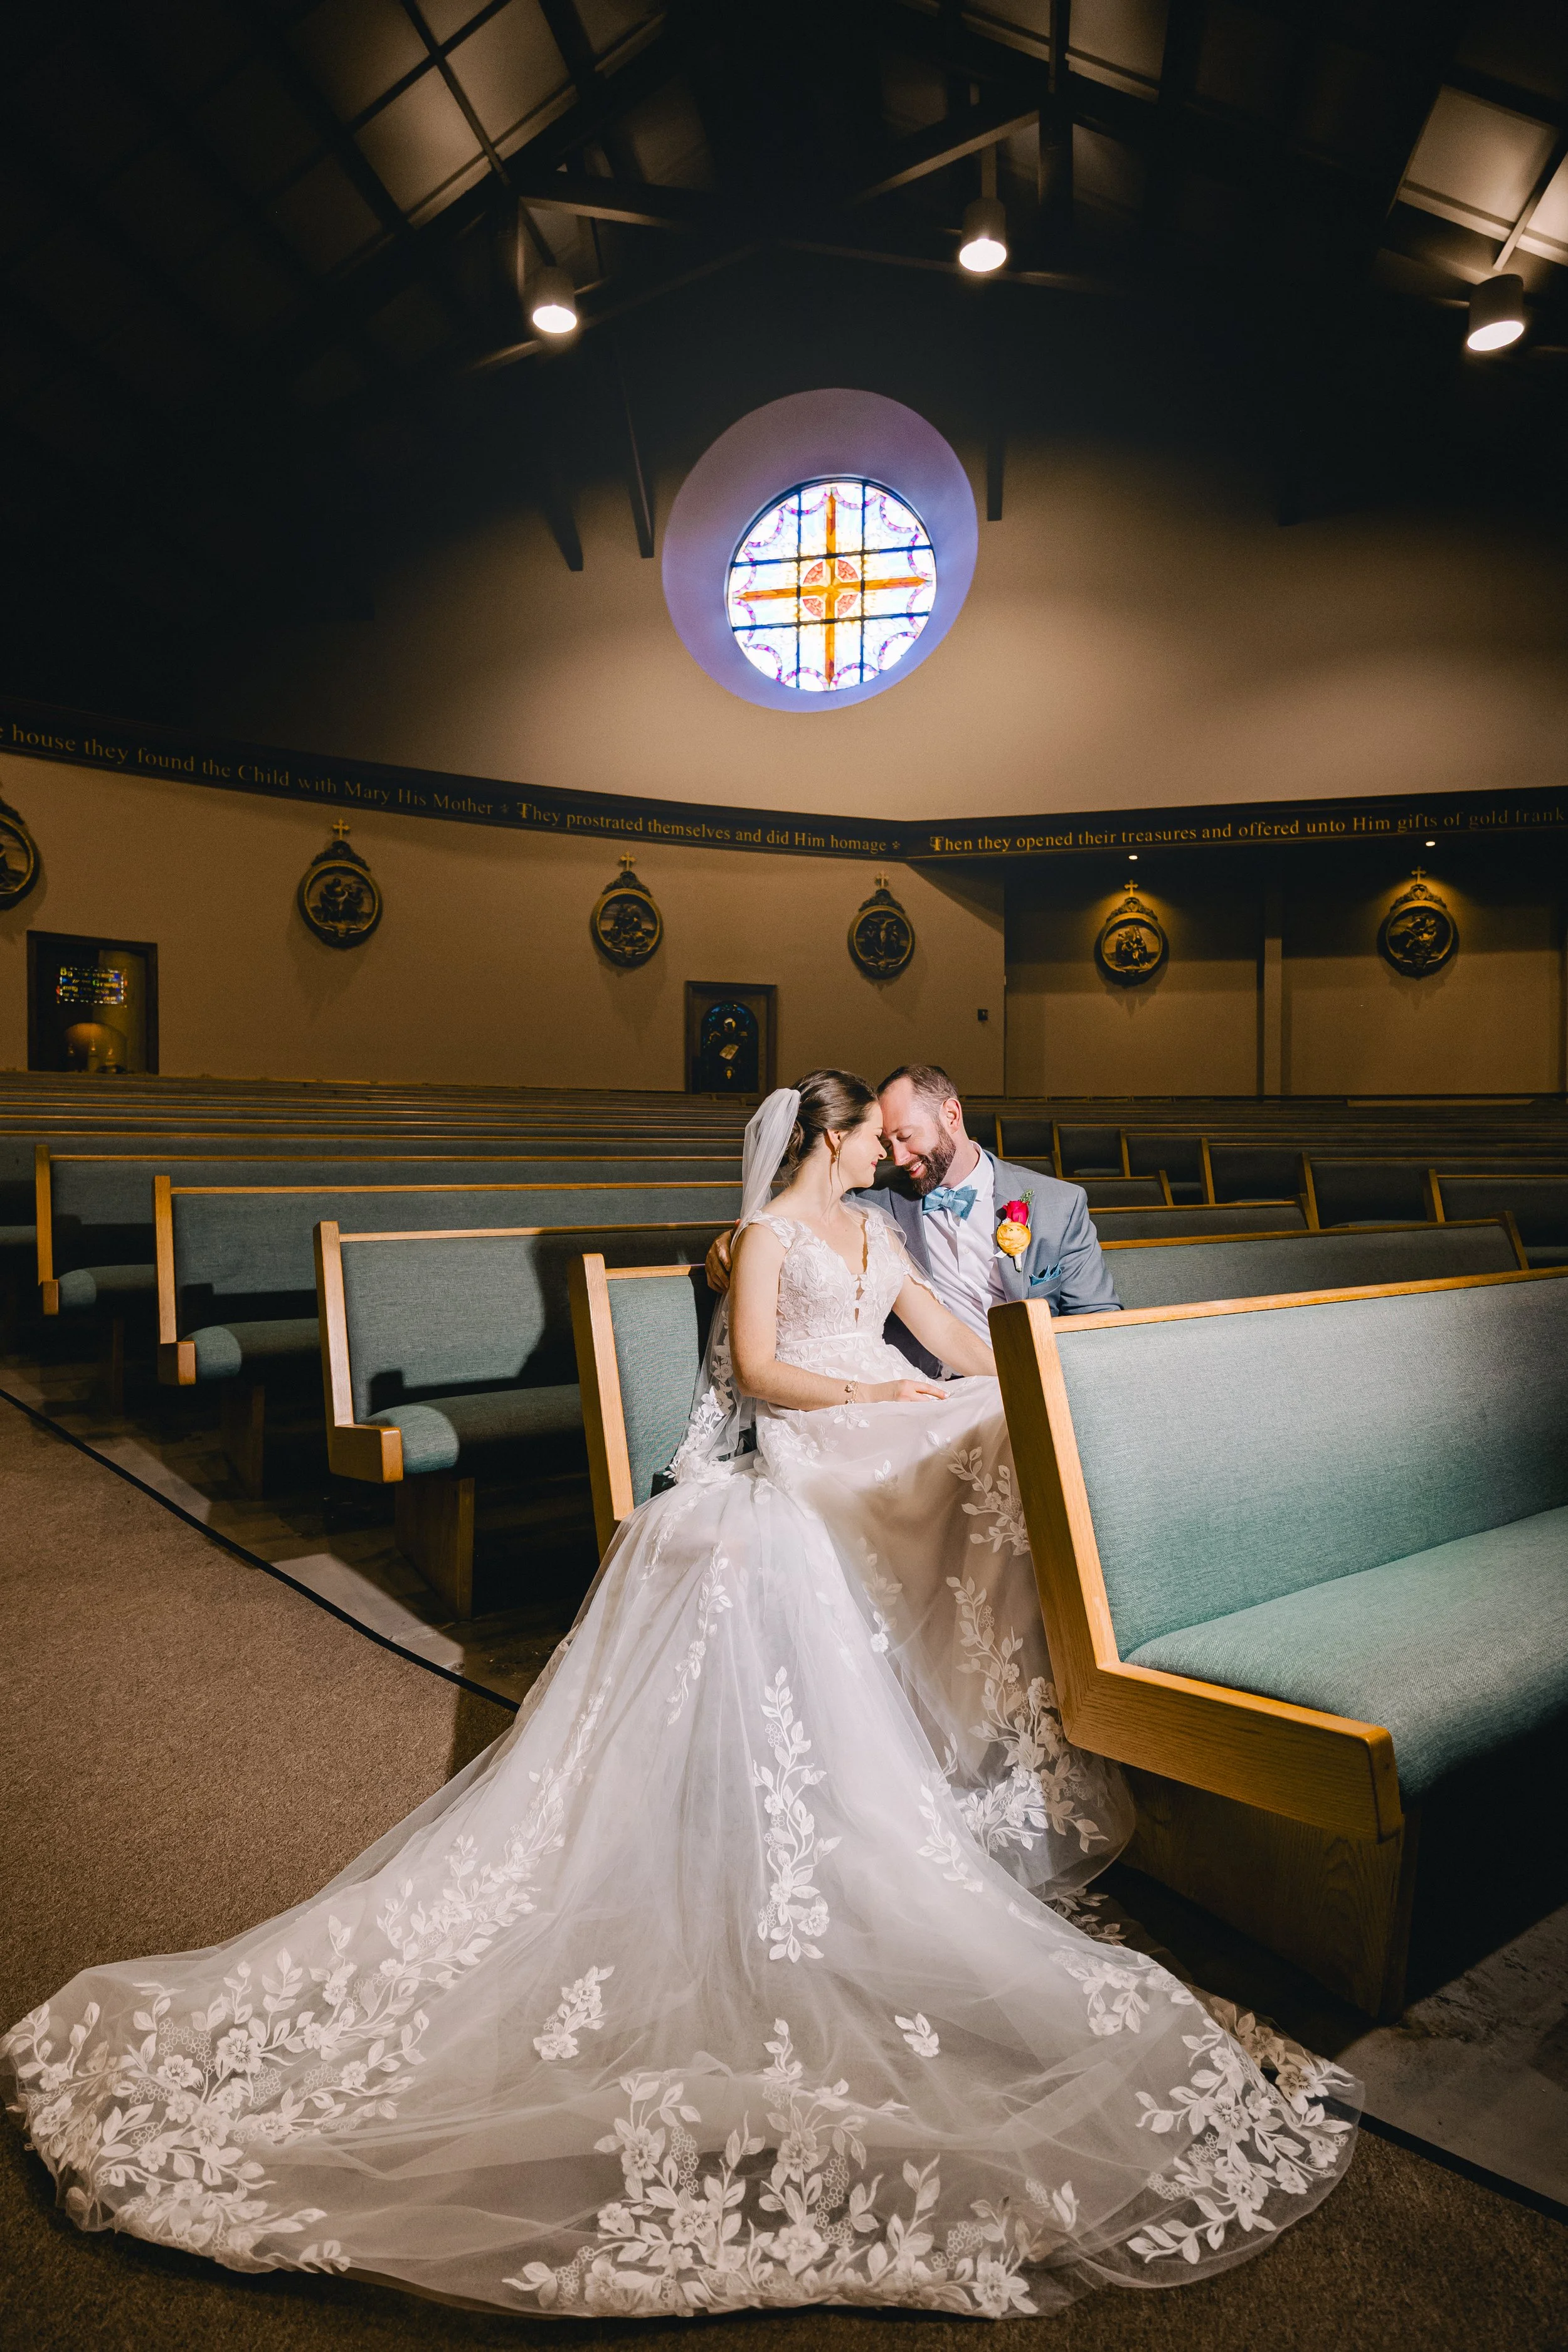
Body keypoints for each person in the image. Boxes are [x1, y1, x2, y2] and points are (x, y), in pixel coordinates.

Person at [3, 1074, 1356, 2321]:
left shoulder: (874, 1233)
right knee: (935, 1455)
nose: (890, 1150)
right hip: (814, 1441)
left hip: (877, 1409)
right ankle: (968, 1733)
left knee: (997, 1442)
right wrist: (868, 1393)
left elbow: (950, 1330)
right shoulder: (765, 1239)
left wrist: (1029, 1377)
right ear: (830, 1140)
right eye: (872, 1136)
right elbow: (762, 1377)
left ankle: (983, 1742)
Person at [706, 1063, 1118, 1377]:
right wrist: (733, 1241)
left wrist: (1038, 1381)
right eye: (886, 1142)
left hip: (1020, 1375)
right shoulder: (875, 1200)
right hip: (923, 1381)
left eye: (905, 1136)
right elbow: (801, 1218)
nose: (897, 1158)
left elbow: (1099, 1322)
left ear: (952, 1116)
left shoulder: (1057, 1204)